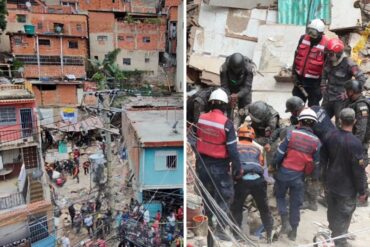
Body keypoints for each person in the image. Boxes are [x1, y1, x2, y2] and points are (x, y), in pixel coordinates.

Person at [195, 88, 242, 241]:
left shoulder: (201, 118)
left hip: (201, 164)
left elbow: (195, 138)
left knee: (206, 196)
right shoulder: (227, 124)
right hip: (219, 166)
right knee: (225, 196)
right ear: (224, 106)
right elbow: (233, 151)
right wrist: (238, 169)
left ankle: (206, 226)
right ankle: (221, 229)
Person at [321, 108, 368, 247]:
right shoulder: (355, 143)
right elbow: (358, 172)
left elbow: (323, 161)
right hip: (347, 188)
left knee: (332, 211)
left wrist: (324, 181)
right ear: (354, 121)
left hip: (331, 182)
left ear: (339, 120)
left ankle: (333, 235)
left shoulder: (329, 136)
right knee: (344, 215)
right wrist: (362, 191)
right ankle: (340, 242)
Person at [273, 108, 321, 241]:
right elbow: (316, 164)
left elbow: (280, 154)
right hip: (299, 177)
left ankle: (285, 222)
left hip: (284, 173)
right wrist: (312, 178)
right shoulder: (317, 142)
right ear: (313, 124)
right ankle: (293, 232)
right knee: (295, 203)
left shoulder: (291, 134)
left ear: (299, 122)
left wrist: (273, 166)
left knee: (280, 197)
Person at [284, 96, 336, 211]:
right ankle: (329, 199)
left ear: (295, 110)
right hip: (334, 139)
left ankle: (311, 202)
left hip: (324, 146)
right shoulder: (316, 108)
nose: (293, 115)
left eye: (292, 112)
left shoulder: (307, 121)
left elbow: (308, 139)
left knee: (313, 173)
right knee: (328, 171)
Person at [230, 124, 274, 242]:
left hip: (242, 180)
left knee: (237, 208)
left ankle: (236, 235)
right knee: (264, 208)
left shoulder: (235, 146)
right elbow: (261, 163)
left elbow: (232, 164)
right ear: (252, 137)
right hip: (258, 180)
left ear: (239, 135)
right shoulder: (257, 148)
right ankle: (269, 235)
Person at [321, 38, 367, 126]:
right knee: (321, 120)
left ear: (338, 54)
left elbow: (361, 79)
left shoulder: (349, 64)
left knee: (340, 124)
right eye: (328, 54)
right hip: (327, 97)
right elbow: (324, 73)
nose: (328, 56)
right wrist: (323, 86)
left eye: (331, 54)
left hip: (341, 100)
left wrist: (348, 93)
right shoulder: (328, 59)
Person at [344, 79, 370, 206]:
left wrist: (355, 145)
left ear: (351, 91)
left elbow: (361, 129)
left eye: (347, 91)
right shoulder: (353, 102)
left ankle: (363, 198)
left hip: (360, 143)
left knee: (359, 169)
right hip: (355, 141)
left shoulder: (361, 106)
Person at [292, 19, 328, 106]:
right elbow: (296, 55)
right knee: (296, 105)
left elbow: (327, 67)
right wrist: (294, 73)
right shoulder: (303, 38)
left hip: (315, 83)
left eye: (314, 33)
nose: (311, 35)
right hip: (299, 80)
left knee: (313, 107)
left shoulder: (326, 45)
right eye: (310, 31)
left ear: (320, 33)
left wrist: (322, 84)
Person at [220, 53, 255, 125]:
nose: (235, 71)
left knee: (245, 108)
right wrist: (229, 96)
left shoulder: (249, 69)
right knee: (226, 103)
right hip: (230, 87)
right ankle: (227, 123)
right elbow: (224, 86)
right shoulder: (224, 68)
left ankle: (241, 124)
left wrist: (238, 95)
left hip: (243, 88)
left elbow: (247, 87)